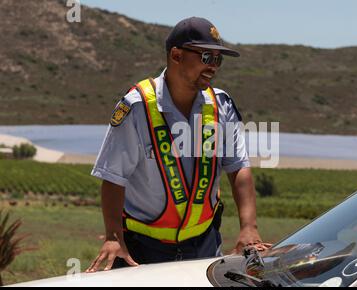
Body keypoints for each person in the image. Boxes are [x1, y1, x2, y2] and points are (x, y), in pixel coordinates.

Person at [87, 17, 271, 273]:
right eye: (207, 57)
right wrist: (113, 237)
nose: (214, 67)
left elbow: (238, 167)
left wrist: (249, 227)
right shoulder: (137, 106)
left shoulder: (221, 106)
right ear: (176, 55)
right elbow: (113, 176)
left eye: (219, 59)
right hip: (142, 250)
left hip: (203, 245)